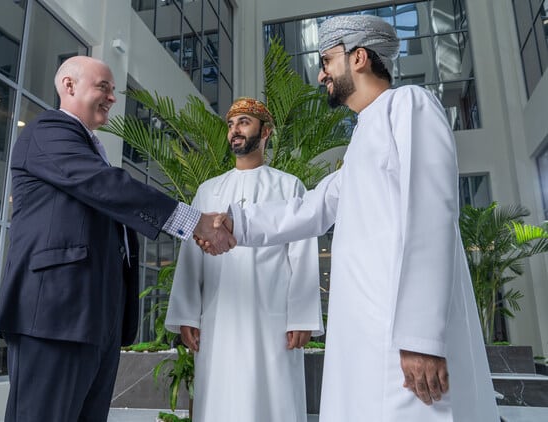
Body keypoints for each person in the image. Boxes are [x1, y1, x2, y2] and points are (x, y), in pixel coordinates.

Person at [210, 15, 499, 421]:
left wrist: (421, 337)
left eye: (327, 61)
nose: (321, 75)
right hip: (367, 332)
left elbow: (431, 216)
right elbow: (311, 208)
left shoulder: (408, 105)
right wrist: (235, 223)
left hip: (404, 335)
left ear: (358, 57)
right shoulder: (362, 137)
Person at [0, 55, 234, 422]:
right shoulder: (47, 131)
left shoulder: (90, 150)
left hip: (94, 322)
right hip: (54, 317)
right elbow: (107, 187)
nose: (112, 98)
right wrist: (193, 221)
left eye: (114, 90)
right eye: (103, 87)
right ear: (69, 86)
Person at [165, 97, 323, 422]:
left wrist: (301, 318)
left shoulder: (289, 186)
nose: (235, 130)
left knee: (274, 396)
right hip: (219, 317)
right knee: (220, 397)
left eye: (244, 122)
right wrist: (187, 314)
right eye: (231, 124)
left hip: (272, 320)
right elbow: (191, 257)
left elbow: (302, 253)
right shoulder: (208, 190)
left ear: (265, 132)